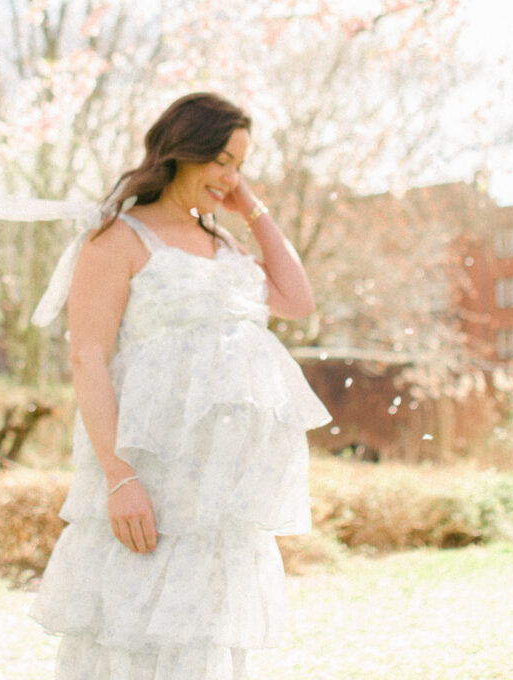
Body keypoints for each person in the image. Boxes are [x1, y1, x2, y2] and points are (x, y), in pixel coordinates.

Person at [29, 91, 331, 680]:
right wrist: (121, 479)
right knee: (135, 642)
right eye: (219, 159)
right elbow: (88, 358)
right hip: (152, 491)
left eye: (239, 165)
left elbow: (298, 300)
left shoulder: (226, 244)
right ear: (180, 151)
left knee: (205, 650)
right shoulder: (117, 238)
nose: (229, 177)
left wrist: (253, 209)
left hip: (219, 506)